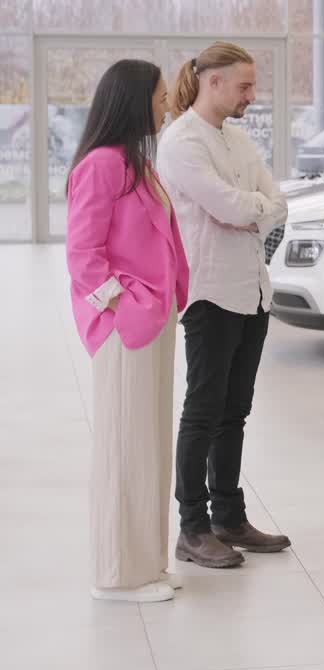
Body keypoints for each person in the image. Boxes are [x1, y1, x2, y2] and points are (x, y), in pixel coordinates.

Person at [156, 41, 290, 568]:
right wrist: (252, 209)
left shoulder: (235, 139)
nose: (251, 96)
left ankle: (228, 518)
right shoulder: (181, 141)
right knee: (204, 412)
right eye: (244, 86)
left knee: (236, 411)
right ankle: (192, 528)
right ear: (213, 82)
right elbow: (230, 206)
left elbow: (274, 204)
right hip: (209, 292)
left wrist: (251, 210)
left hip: (253, 291)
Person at [66, 59, 188, 603]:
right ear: (134, 100)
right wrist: (122, 305)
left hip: (154, 319)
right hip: (126, 326)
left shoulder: (137, 162)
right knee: (124, 447)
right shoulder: (101, 165)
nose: (166, 105)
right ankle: (116, 575)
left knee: (148, 445)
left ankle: (144, 565)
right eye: (161, 96)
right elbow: (83, 255)